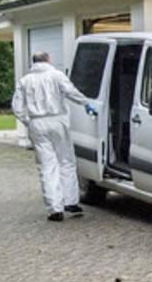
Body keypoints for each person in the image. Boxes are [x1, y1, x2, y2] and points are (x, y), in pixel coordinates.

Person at [11, 51, 96, 222]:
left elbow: (17, 107)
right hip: (58, 121)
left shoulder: (24, 81)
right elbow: (71, 92)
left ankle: (54, 209)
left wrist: (29, 121)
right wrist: (86, 103)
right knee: (66, 161)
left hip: (37, 123)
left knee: (47, 166)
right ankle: (70, 201)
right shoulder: (56, 75)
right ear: (48, 59)